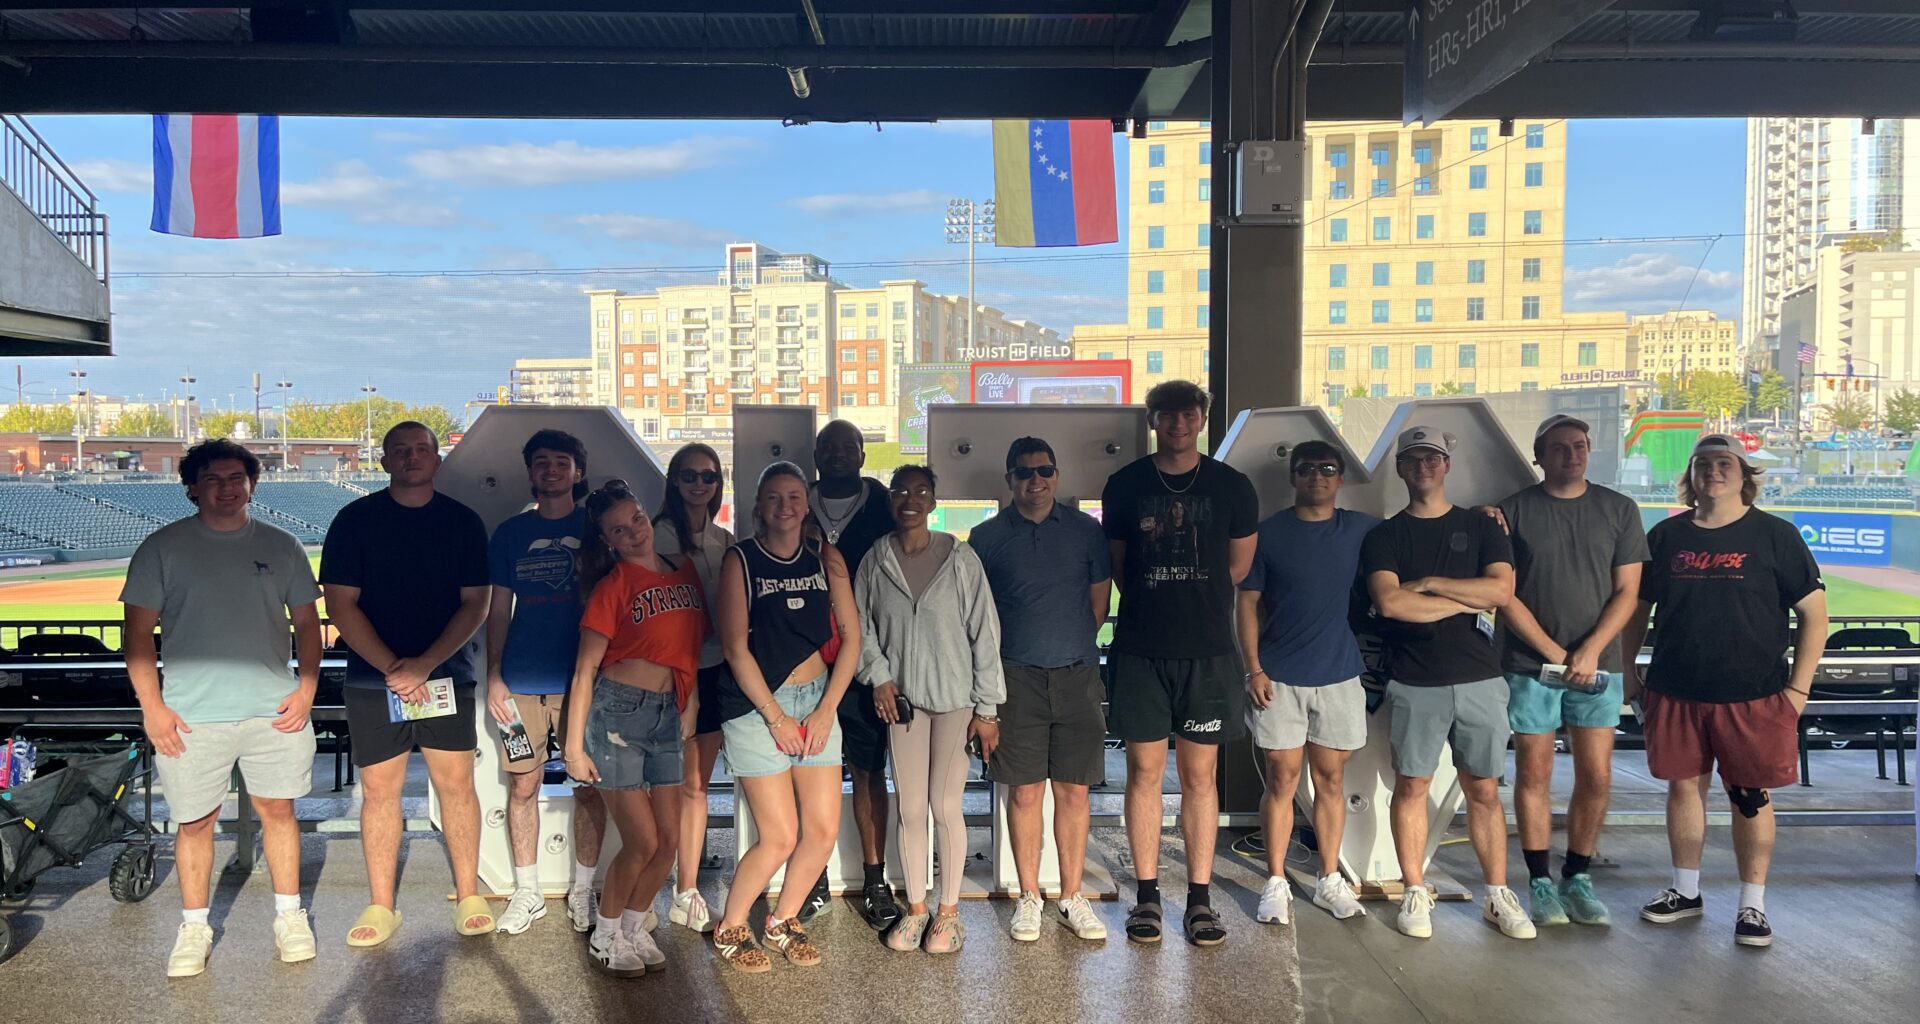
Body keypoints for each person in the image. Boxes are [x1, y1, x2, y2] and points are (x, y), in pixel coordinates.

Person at [123, 439, 323, 978]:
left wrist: (306, 689)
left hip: (272, 711)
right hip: (189, 717)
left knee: (279, 814)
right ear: (192, 487)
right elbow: (137, 636)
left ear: (252, 484)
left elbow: (308, 626)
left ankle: (289, 917)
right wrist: (153, 707)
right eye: (213, 479)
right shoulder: (161, 548)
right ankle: (194, 926)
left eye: (237, 477)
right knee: (194, 823)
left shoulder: (282, 546)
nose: (227, 487)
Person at [1620, 434, 1827, 948]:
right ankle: (1685, 891)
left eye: (1724, 463)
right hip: (1675, 691)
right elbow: (1637, 613)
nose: (1713, 471)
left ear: (1744, 476)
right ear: (1690, 478)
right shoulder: (1666, 537)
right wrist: (1629, 672)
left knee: (1749, 798)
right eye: (1703, 464)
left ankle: (1752, 907)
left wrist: (1798, 691)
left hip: (1754, 695)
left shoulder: (1775, 536)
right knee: (1682, 789)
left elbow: (1815, 617)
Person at [321, 421, 494, 946]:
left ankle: (469, 892)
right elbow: (340, 604)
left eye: (422, 449)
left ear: (437, 459)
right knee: (378, 793)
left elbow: (476, 603)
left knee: (457, 786)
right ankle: (382, 904)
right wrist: (394, 667)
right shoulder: (354, 520)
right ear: (385, 461)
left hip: (446, 677)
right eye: (401, 450)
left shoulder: (463, 522)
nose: (412, 457)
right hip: (375, 684)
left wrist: (424, 664)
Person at [1101, 380, 1258, 947]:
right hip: (1142, 649)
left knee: (1198, 777)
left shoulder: (1231, 485)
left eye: (1188, 414)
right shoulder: (1125, 485)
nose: (1178, 423)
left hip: (1209, 653)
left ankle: (1198, 900)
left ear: (1201, 419)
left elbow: (1237, 567)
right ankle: (1146, 897)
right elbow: (1120, 567)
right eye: (1167, 415)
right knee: (1143, 774)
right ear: (1153, 421)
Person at [1361, 425, 1533, 941]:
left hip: (1481, 677)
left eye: (1432, 458)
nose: (1424, 467)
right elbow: (1392, 603)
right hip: (1416, 680)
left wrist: (1432, 585)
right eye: (1413, 460)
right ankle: (1414, 887)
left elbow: (1501, 591)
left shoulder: (1483, 527)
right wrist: (1468, 597)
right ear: (1401, 469)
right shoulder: (1384, 536)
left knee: (1482, 789)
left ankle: (1497, 894)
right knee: (1411, 786)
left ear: (1447, 465)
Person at [1491, 415, 1649, 927]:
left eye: (1579, 446)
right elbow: (1504, 595)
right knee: (1533, 772)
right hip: (1529, 665)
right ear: (1539, 455)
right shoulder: (1512, 512)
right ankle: (1539, 881)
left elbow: (1628, 592)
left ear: (1589, 451)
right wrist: (1555, 654)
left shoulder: (1619, 509)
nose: (1571, 455)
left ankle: (1577, 876)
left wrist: (1590, 650)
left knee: (1596, 775)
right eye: (1559, 448)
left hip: (1599, 667)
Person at [709, 462, 862, 973]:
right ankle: (731, 927)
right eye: (774, 497)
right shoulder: (741, 560)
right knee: (778, 835)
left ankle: (783, 920)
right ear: (758, 507)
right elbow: (734, 648)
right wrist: (777, 719)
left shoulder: (826, 558)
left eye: (794, 496)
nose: (785, 506)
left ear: (807, 503)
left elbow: (852, 640)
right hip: (758, 707)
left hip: (816, 700)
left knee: (820, 830)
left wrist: (824, 711)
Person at [857, 466, 1006, 955]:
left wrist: (987, 708)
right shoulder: (876, 561)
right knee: (910, 807)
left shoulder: (960, 558)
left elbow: (985, 633)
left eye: (921, 491)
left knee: (944, 806)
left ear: (934, 501)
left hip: (956, 702)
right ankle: (917, 909)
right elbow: (860, 628)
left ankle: (949, 912)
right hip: (901, 706)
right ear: (890, 499)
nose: (910, 498)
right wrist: (879, 676)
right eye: (900, 490)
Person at [563, 480, 708, 977]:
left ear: (648, 515)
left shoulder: (684, 573)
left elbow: (689, 649)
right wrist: (572, 745)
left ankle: (631, 926)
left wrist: (689, 707)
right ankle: (605, 936)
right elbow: (585, 671)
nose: (632, 533)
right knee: (642, 841)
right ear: (607, 540)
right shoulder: (613, 585)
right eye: (618, 530)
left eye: (636, 521)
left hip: (668, 711)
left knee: (669, 840)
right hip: (617, 714)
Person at [970, 437, 1112, 943]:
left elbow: (1098, 604)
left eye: (1045, 470)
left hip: (1076, 676)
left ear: (1057, 475)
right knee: (1025, 793)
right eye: (1025, 472)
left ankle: (1071, 897)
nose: (1036, 480)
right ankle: (1030, 896)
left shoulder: (1085, 532)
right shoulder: (984, 539)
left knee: (1073, 791)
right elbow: (978, 618)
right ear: (1009, 480)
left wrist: (1067, 645)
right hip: (1014, 680)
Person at [1234, 440, 1377, 927]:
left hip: (1338, 674)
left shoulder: (1361, 530)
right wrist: (1253, 667)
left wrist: (1488, 513)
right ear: (1293, 477)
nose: (1317, 476)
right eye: (1307, 469)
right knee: (1282, 779)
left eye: (1328, 469)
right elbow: (1247, 603)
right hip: (1279, 678)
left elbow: (1419, 533)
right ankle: (1275, 881)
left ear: (1340, 478)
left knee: (1331, 781)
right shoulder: (1268, 534)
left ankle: (1328, 878)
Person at [483, 429, 607, 936]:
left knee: (589, 789)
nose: (551, 469)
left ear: (579, 472)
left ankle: (583, 890)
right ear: (530, 471)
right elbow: (497, 611)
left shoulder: (599, 530)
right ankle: (527, 891)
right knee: (522, 784)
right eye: (541, 462)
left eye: (562, 462)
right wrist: (494, 674)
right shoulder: (510, 534)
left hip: (584, 686)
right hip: (519, 684)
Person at [803, 419, 901, 930]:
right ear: (815, 453)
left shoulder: (885, 502)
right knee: (812, 770)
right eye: (829, 446)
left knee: (867, 769)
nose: (839, 454)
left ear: (863, 454)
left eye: (849, 446)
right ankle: (811, 876)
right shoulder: (795, 498)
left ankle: (875, 878)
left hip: (867, 661)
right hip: (806, 661)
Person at [653, 443, 735, 936]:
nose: (698, 484)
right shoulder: (658, 536)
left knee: (697, 785)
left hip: (716, 669)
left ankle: (686, 889)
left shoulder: (725, 541)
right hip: (669, 674)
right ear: (675, 480)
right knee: (669, 784)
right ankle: (657, 887)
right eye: (689, 476)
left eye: (708, 476)